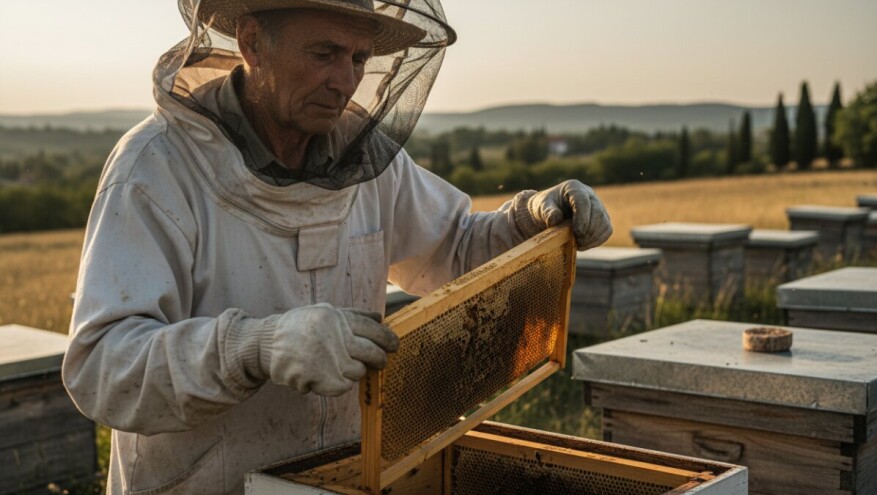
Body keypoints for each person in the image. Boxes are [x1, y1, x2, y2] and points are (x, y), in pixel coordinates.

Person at [62, 0, 612, 493]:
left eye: (358, 58)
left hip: (346, 475)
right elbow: (103, 367)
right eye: (324, 53)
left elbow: (453, 251)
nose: (344, 80)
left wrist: (529, 220)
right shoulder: (156, 168)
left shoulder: (365, 158)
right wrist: (254, 348)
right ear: (252, 43)